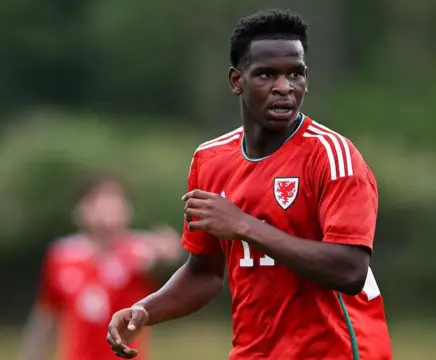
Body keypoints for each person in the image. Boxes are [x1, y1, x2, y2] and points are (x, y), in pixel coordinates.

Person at [106, 8, 392, 360]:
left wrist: (243, 225)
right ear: (236, 80)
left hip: (336, 352)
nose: (284, 87)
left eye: (295, 74)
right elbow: (205, 273)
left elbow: (350, 269)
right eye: (267, 74)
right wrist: (146, 311)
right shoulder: (210, 160)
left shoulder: (333, 156)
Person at [20, 173, 182, 360]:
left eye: (114, 201)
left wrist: (170, 251)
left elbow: (164, 261)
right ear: (80, 210)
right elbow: (46, 316)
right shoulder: (62, 255)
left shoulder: (139, 251)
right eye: (97, 201)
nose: (106, 209)